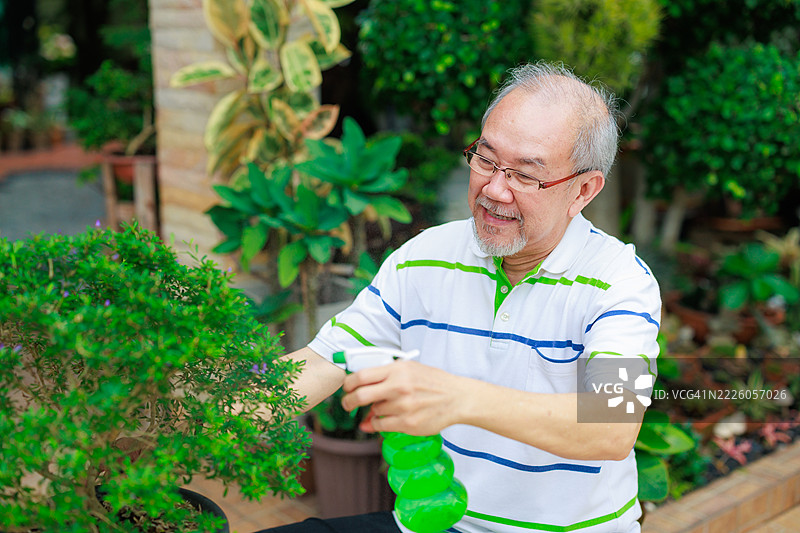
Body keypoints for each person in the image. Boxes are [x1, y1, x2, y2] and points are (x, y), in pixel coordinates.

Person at [261, 61, 661, 533]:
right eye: (486, 159)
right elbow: (321, 361)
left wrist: (457, 398)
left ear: (583, 190)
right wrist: (189, 407)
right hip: (438, 522)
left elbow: (611, 425)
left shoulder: (620, 281)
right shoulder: (425, 258)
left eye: (525, 176)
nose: (493, 189)